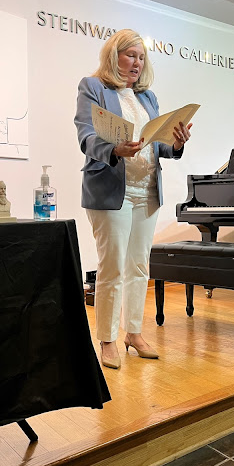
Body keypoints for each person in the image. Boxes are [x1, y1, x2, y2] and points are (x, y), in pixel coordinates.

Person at [74, 29, 192, 369]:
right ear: (114, 56)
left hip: (146, 192)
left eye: (141, 57)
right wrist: (114, 149)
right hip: (112, 191)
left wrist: (177, 142)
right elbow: (86, 135)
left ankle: (134, 333)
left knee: (139, 266)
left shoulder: (148, 97)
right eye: (130, 55)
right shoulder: (93, 87)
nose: (137, 62)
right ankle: (107, 340)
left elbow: (158, 145)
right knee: (112, 267)